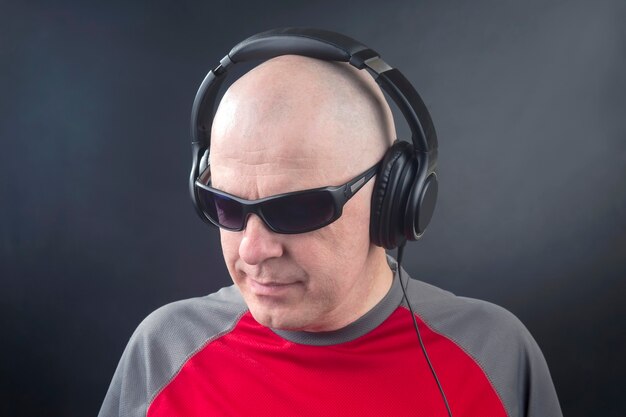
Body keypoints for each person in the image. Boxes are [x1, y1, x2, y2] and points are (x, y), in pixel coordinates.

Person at [99, 43, 563, 416]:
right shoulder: (163, 351)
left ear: (394, 199)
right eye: (227, 206)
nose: (254, 250)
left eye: (297, 210)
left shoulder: (496, 355)